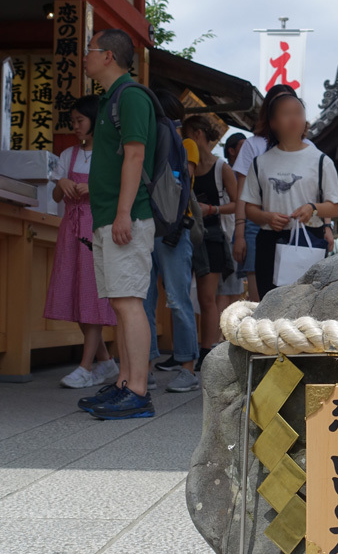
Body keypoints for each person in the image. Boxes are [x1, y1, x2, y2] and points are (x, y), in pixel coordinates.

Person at [78, 28, 156, 420]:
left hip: (129, 216)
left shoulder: (132, 96)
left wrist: (124, 211)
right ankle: (126, 383)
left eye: (90, 50)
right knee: (119, 302)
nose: (85, 56)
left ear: (108, 56)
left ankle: (138, 389)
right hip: (110, 217)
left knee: (128, 302)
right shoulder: (112, 98)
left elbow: (136, 155)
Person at [44, 96, 118, 389]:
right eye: (72, 121)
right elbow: (55, 198)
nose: (75, 126)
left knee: (91, 294)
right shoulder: (67, 155)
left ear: (94, 122)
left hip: (96, 229)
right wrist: (60, 185)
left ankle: (85, 366)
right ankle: (106, 362)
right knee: (75, 292)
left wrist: (94, 187)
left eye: (80, 121)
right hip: (70, 229)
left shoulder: (109, 154)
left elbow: (115, 194)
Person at [232, 85, 331, 301]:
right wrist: (239, 234)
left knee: (302, 294)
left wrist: (327, 226)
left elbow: (320, 193)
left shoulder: (310, 148)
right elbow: (242, 194)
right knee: (262, 297)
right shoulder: (253, 146)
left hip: (302, 228)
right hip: (259, 224)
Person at [143, 91, 200, 393]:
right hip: (147, 228)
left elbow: (180, 185)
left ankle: (188, 368)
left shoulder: (185, 144)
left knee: (177, 299)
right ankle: (146, 366)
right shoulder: (151, 142)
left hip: (173, 229)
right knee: (144, 300)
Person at [182, 114, 237, 372]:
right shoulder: (186, 163)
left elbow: (238, 204)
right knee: (182, 296)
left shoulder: (221, 167)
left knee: (207, 297)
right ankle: (187, 351)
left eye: (187, 133)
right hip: (187, 234)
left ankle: (207, 350)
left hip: (212, 236)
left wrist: (213, 209)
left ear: (198, 134)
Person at [216, 134, 247, 329]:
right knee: (226, 288)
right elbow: (237, 205)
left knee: (234, 287)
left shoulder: (244, 173)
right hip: (227, 232)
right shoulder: (227, 172)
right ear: (232, 150)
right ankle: (225, 334)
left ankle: (229, 332)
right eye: (243, 147)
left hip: (237, 233)